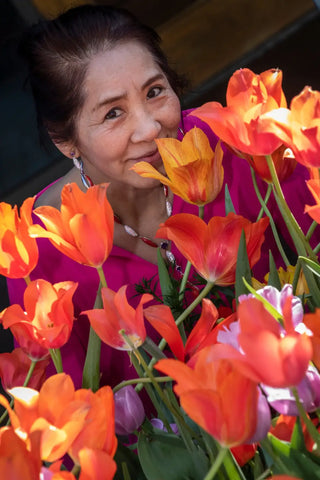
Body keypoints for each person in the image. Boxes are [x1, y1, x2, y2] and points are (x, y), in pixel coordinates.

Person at [6, 4, 315, 388]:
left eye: (154, 92)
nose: (151, 128)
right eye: (113, 113)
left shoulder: (233, 142)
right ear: (64, 140)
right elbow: (72, 405)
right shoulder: (39, 249)